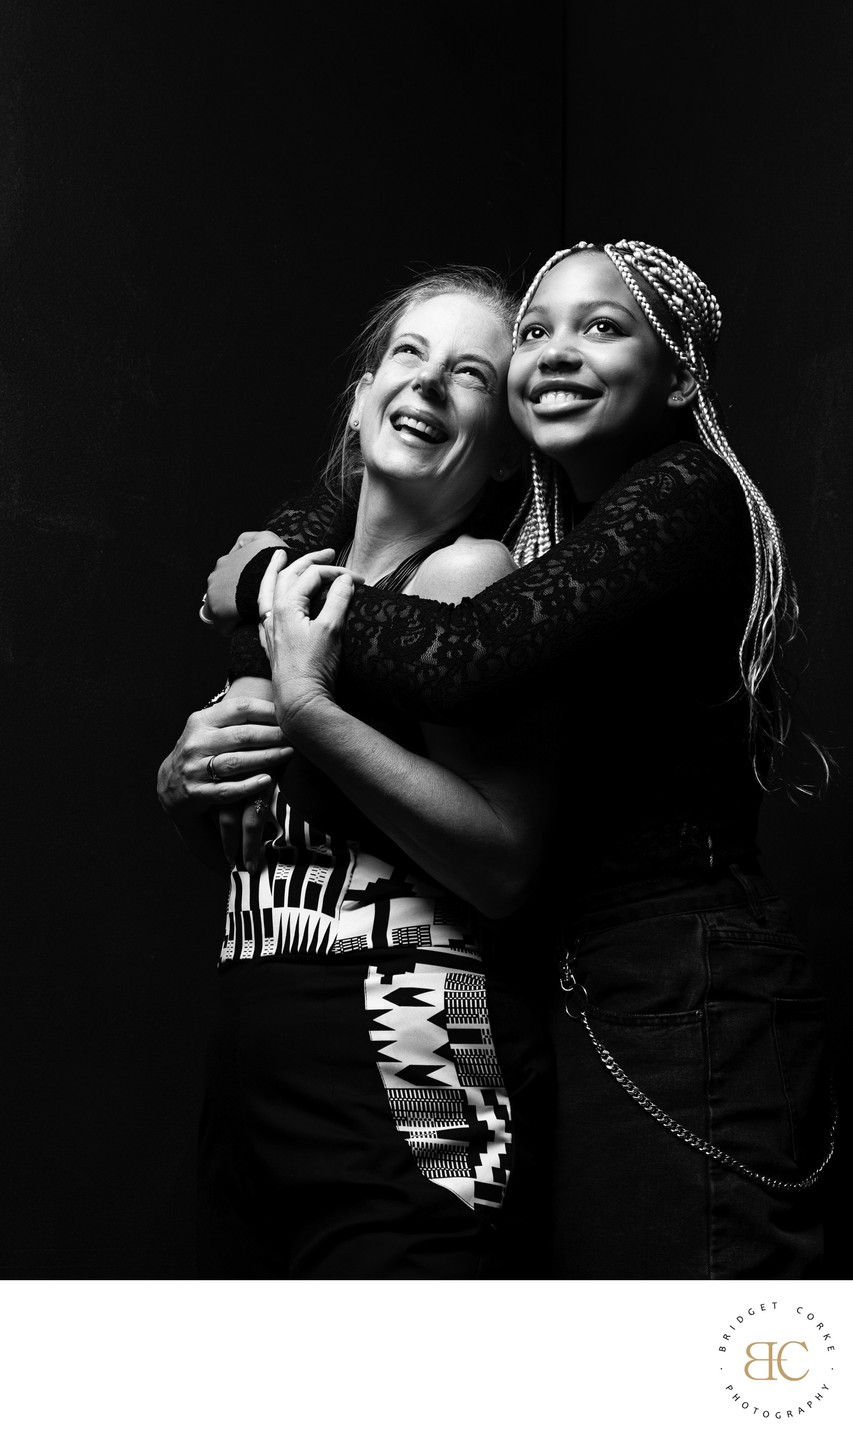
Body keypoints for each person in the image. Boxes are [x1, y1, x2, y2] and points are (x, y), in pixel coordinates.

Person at [214, 239, 835, 1280]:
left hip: (687, 980)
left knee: (706, 1345)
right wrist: (270, 603)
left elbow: (466, 657)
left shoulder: (681, 495)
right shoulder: (562, 519)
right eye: (536, 332)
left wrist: (274, 595)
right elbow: (360, 513)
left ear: (680, 374)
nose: (554, 352)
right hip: (587, 985)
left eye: (602, 326)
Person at [157, 267, 557, 1279]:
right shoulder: (306, 595)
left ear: (504, 448)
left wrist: (306, 708)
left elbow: (503, 864)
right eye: (408, 357)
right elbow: (324, 862)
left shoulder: (466, 578)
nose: (425, 385)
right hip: (257, 1063)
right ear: (360, 397)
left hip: (411, 1049)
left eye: (469, 375)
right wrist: (186, 783)